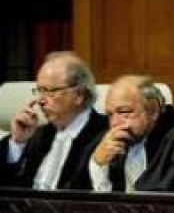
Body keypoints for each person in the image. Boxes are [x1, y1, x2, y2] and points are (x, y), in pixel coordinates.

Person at [0, 51, 108, 190]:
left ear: (79, 95)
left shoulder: (105, 136)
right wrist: (17, 142)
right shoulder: (37, 135)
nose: (41, 100)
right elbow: (9, 189)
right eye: (40, 91)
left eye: (50, 91)